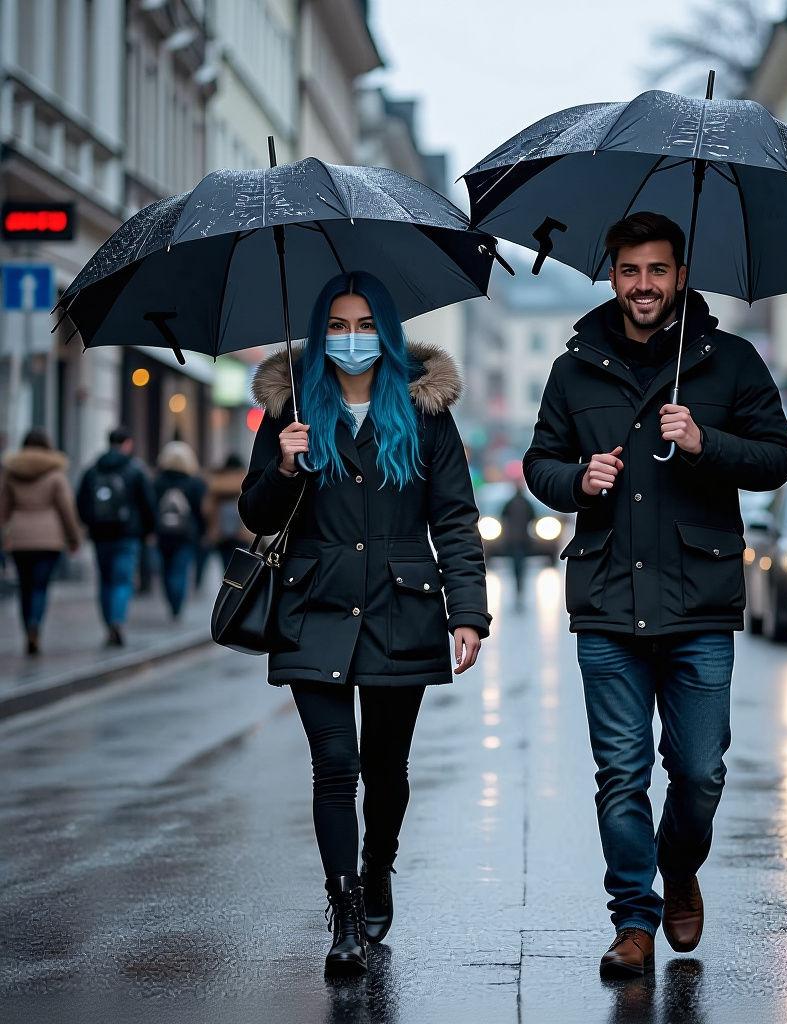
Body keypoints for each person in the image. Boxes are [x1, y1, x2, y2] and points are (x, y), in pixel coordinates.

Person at [524, 212, 787, 978]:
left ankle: (679, 868)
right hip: (608, 599)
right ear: (613, 275)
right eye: (629, 271)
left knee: (701, 770)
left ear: (680, 276)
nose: (642, 285)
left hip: (699, 599)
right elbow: (539, 463)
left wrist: (708, 443)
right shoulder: (575, 367)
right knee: (620, 773)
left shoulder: (731, 361)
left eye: (656, 271)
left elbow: (778, 458)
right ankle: (635, 921)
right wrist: (578, 479)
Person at [240, 271, 490, 977]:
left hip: (401, 608)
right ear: (321, 333)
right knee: (334, 765)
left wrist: (467, 611)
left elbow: (455, 518)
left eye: (364, 325)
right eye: (338, 326)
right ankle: (344, 911)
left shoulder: (425, 414)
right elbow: (255, 514)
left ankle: (377, 866)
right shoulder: (290, 410)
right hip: (313, 606)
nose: (351, 340)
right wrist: (285, 466)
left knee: (385, 769)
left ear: (387, 330)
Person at [0, 428, 82, 655]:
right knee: (40, 586)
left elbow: (3, 508)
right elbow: (66, 508)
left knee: (24, 586)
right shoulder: (55, 472)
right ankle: (36, 624)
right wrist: (74, 538)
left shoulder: (12, 471)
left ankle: (27, 628)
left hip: (19, 537)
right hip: (49, 538)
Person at [75, 426, 156, 646]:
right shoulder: (135, 469)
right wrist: (149, 530)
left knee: (105, 580)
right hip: (127, 535)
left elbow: (81, 502)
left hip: (101, 535)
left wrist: (89, 524)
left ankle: (108, 622)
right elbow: (147, 503)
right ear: (127, 444)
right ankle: (117, 621)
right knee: (122, 580)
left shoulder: (93, 469)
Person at [153, 441, 206, 619]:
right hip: (186, 535)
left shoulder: (158, 482)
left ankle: (171, 601)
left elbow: (151, 507)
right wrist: (202, 532)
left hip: (163, 534)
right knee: (180, 570)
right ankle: (177, 605)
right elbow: (201, 510)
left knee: (166, 569)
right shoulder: (195, 483)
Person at [203, 453, 254, 571]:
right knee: (241, 568)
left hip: (221, 533)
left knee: (226, 566)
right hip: (243, 532)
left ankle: (229, 587)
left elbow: (206, 509)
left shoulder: (215, 484)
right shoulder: (247, 480)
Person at [500, 482, 534, 609]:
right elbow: (533, 517)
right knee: (521, 567)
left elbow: (503, 516)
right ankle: (520, 589)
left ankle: (518, 589)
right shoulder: (526, 503)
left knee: (515, 566)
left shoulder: (510, 503)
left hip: (512, 541)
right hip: (523, 540)